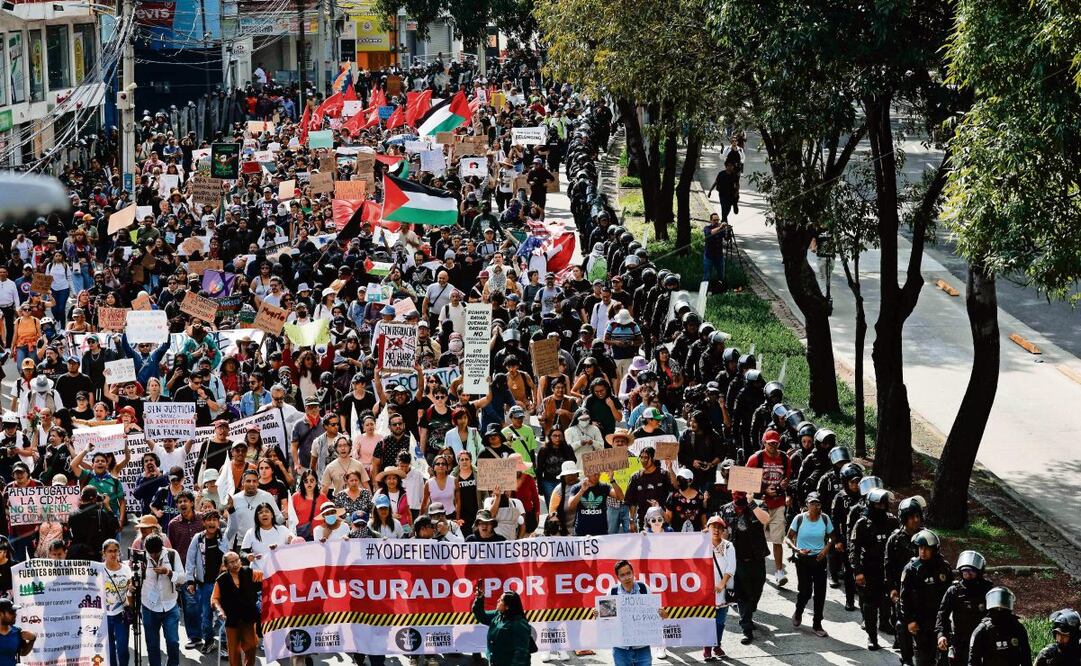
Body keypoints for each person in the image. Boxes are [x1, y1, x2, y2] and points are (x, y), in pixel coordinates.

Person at [718, 492, 770, 644]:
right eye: (735, 489)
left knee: (757, 589)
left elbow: (766, 519)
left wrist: (751, 502)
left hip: (757, 557)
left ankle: (749, 613)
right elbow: (722, 532)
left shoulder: (759, 504)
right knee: (742, 595)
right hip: (737, 560)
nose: (737, 492)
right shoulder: (725, 509)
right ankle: (746, 628)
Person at [850, 487, 898, 651]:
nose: (882, 508)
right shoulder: (862, 523)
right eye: (878, 505)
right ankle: (872, 636)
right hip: (869, 569)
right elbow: (854, 549)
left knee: (889, 602)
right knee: (870, 605)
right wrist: (858, 571)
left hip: (888, 569)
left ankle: (885, 623)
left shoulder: (892, 521)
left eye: (884, 505)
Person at [898, 529, 952, 666]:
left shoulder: (943, 568)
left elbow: (950, 595)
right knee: (923, 659)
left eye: (927, 548)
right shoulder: (911, 569)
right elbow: (904, 598)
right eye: (921, 548)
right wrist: (910, 620)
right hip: (920, 622)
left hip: (939, 621)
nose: (923, 551)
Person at [745, 429, 792, 586]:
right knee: (758, 539)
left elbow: (787, 477)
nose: (773, 447)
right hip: (760, 505)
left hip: (778, 504)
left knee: (777, 539)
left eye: (776, 444)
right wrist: (764, 489)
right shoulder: (755, 459)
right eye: (770, 444)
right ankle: (760, 570)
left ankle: (779, 572)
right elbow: (746, 481)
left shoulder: (785, 458)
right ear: (764, 443)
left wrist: (785, 485)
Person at [784, 492, 833, 637]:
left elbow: (832, 537)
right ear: (807, 505)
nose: (815, 506)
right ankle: (798, 611)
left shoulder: (825, 519)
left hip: (819, 559)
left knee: (820, 593)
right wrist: (797, 549)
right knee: (805, 591)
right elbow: (788, 538)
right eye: (812, 503)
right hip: (803, 560)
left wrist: (825, 550)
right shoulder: (799, 519)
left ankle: (817, 623)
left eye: (817, 504)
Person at [936, 550, 993, 666]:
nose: (968, 575)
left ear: (979, 572)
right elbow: (942, 614)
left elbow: (995, 615)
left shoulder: (987, 591)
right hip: (959, 641)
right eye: (965, 572)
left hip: (982, 642)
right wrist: (941, 635)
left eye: (971, 572)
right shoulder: (954, 590)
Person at [607, 560, 669, 666]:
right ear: (618, 578)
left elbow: (657, 615)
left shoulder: (644, 589)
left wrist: (663, 614)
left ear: (633, 573)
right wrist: (598, 615)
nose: (627, 577)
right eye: (622, 575)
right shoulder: (612, 592)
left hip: (642, 649)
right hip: (621, 650)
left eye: (628, 573)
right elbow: (606, 620)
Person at [184, 509, 227, 655]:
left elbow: (232, 528)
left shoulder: (223, 537)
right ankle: (209, 641)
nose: (212, 522)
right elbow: (190, 561)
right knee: (205, 617)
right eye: (208, 520)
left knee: (223, 616)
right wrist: (190, 581)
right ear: (203, 522)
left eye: (215, 519)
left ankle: (224, 645)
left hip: (222, 584)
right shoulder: (198, 538)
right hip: (205, 585)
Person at [211, 551, 263, 666]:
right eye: (231, 562)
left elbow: (266, 576)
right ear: (225, 565)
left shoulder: (249, 572)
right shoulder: (221, 580)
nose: (235, 564)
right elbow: (215, 599)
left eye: (237, 560)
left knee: (251, 646)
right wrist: (220, 611)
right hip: (232, 619)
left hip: (249, 618)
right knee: (234, 652)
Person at [140, 533, 185, 666]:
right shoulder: (141, 557)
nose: (154, 556)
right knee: (152, 644)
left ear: (162, 547)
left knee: (173, 642)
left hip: (170, 605)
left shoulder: (172, 554)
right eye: (151, 553)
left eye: (157, 553)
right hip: (149, 607)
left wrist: (168, 572)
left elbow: (182, 578)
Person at [472, 581, 532, 666]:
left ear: (507, 606)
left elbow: (521, 653)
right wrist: (480, 597)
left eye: (501, 600)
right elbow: (481, 616)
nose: (498, 600)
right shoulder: (498, 615)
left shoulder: (519, 624)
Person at [967, 587, 1031, 666]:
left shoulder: (1017, 628)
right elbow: (973, 660)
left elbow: (1026, 656)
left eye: (1003, 608)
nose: (999, 610)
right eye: (996, 608)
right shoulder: (982, 630)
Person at [705, 516, 736, 661]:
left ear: (723, 530)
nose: (716, 530)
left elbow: (731, 567)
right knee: (707, 620)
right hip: (706, 590)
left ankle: (717, 645)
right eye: (713, 527)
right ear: (708, 528)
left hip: (723, 590)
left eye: (719, 527)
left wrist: (722, 584)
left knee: (720, 621)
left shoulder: (729, 546)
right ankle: (706, 648)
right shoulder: (701, 545)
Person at [67, 485, 121, 560]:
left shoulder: (72, 514)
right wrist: (108, 507)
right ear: (95, 498)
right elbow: (116, 527)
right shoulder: (101, 514)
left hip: (78, 554)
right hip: (95, 555)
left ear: (81, 498)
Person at [102, 539, 133, 666]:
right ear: (104, 553)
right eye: (110, 551)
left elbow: (130, 594)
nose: (113, 554)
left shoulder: (126, 570)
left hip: (121, 614)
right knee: (109, 650)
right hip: (104, 616)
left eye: (115, 551)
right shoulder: (98, 570)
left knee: (122, 649)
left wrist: (131, 591)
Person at [0, 598, 34, 666]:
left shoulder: (17, 632)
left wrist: (32, 640)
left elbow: (23, 653)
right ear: (0, 614)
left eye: (15, 612)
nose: (15, 615)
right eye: (11, 612)